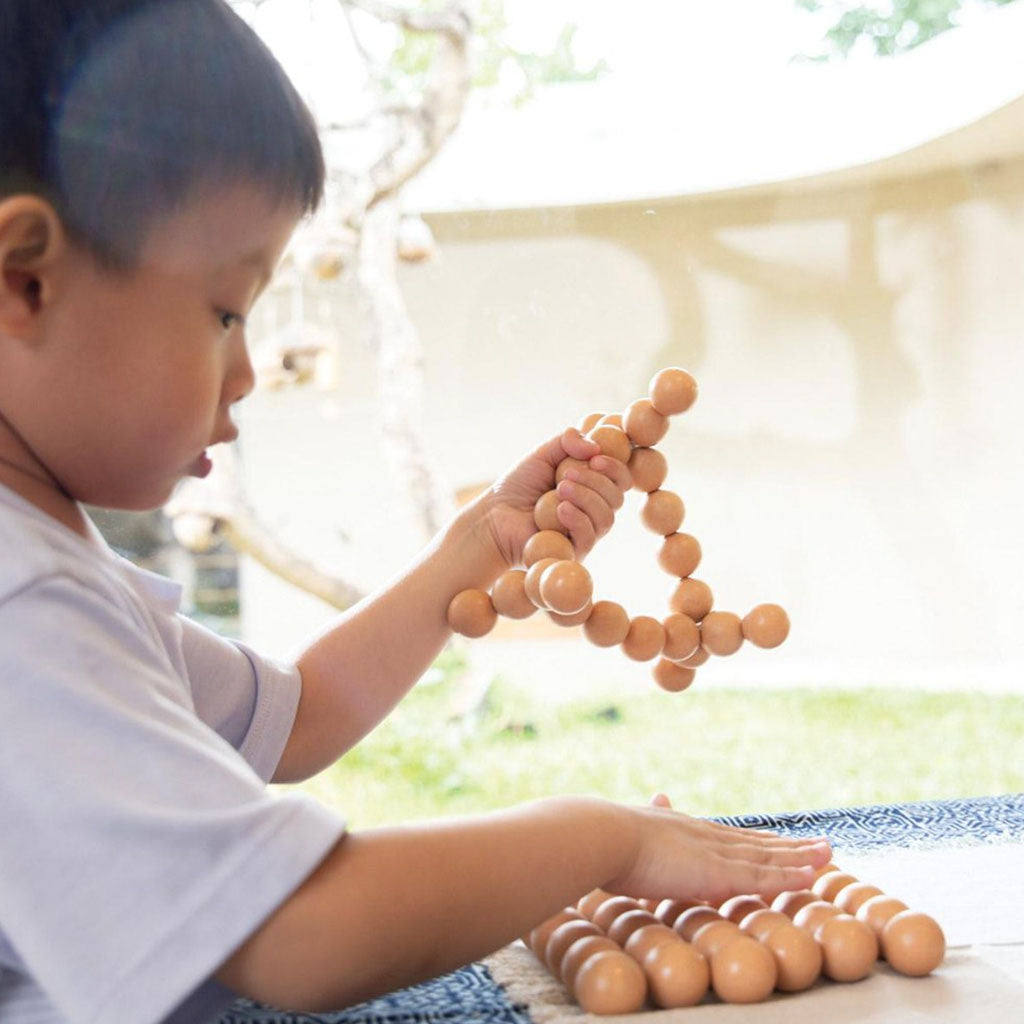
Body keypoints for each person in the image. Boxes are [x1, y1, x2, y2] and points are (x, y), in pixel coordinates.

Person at [0, 1, 831, 1021]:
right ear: (22, 281)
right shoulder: (22, 605)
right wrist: (598, 837)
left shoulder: (48, 568)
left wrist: (468, 554)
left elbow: (293, 720)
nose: (250, 371)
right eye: (225, 310)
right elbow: (297, 935)